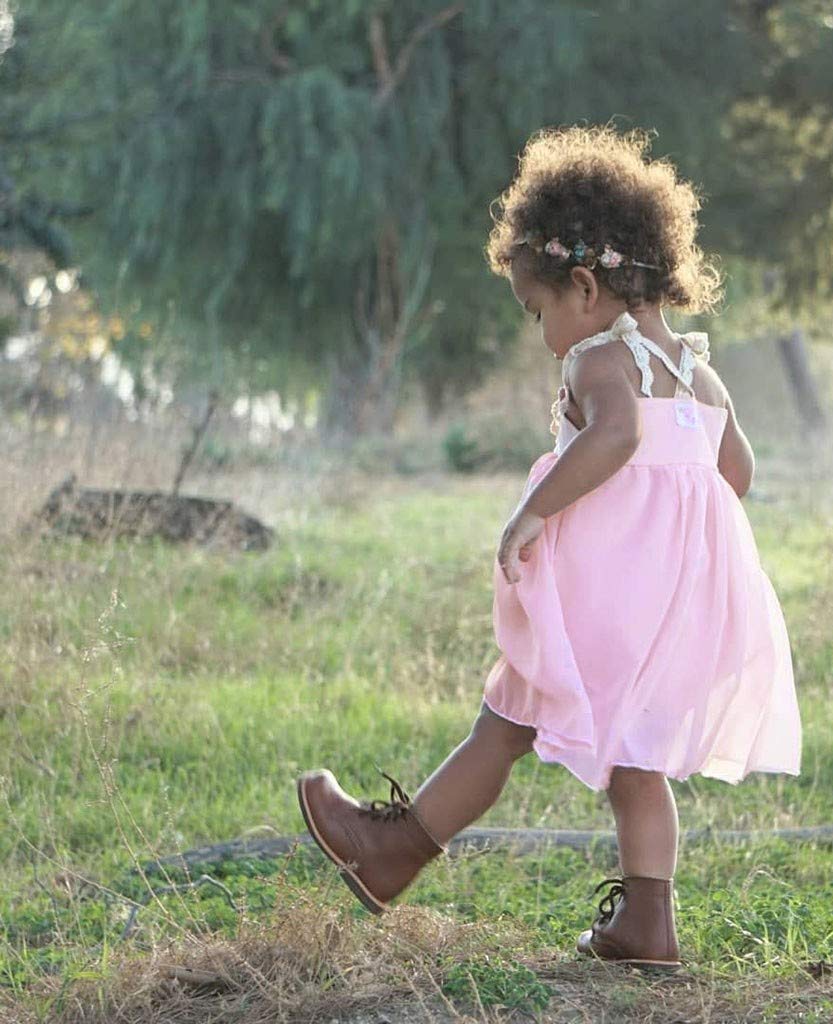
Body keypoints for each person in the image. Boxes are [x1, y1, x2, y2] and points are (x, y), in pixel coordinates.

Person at [297, 123, 802, 973]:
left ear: (584, 287)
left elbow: (616, 436)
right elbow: (737, 474)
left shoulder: (601, 362)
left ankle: (391, 850)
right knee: (638, 763)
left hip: (595, 599)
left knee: (502, 725)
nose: (542, 335)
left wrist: (533, 511)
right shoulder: (700, 375)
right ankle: (649, 924)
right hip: (670, 613)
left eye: (538, 312)